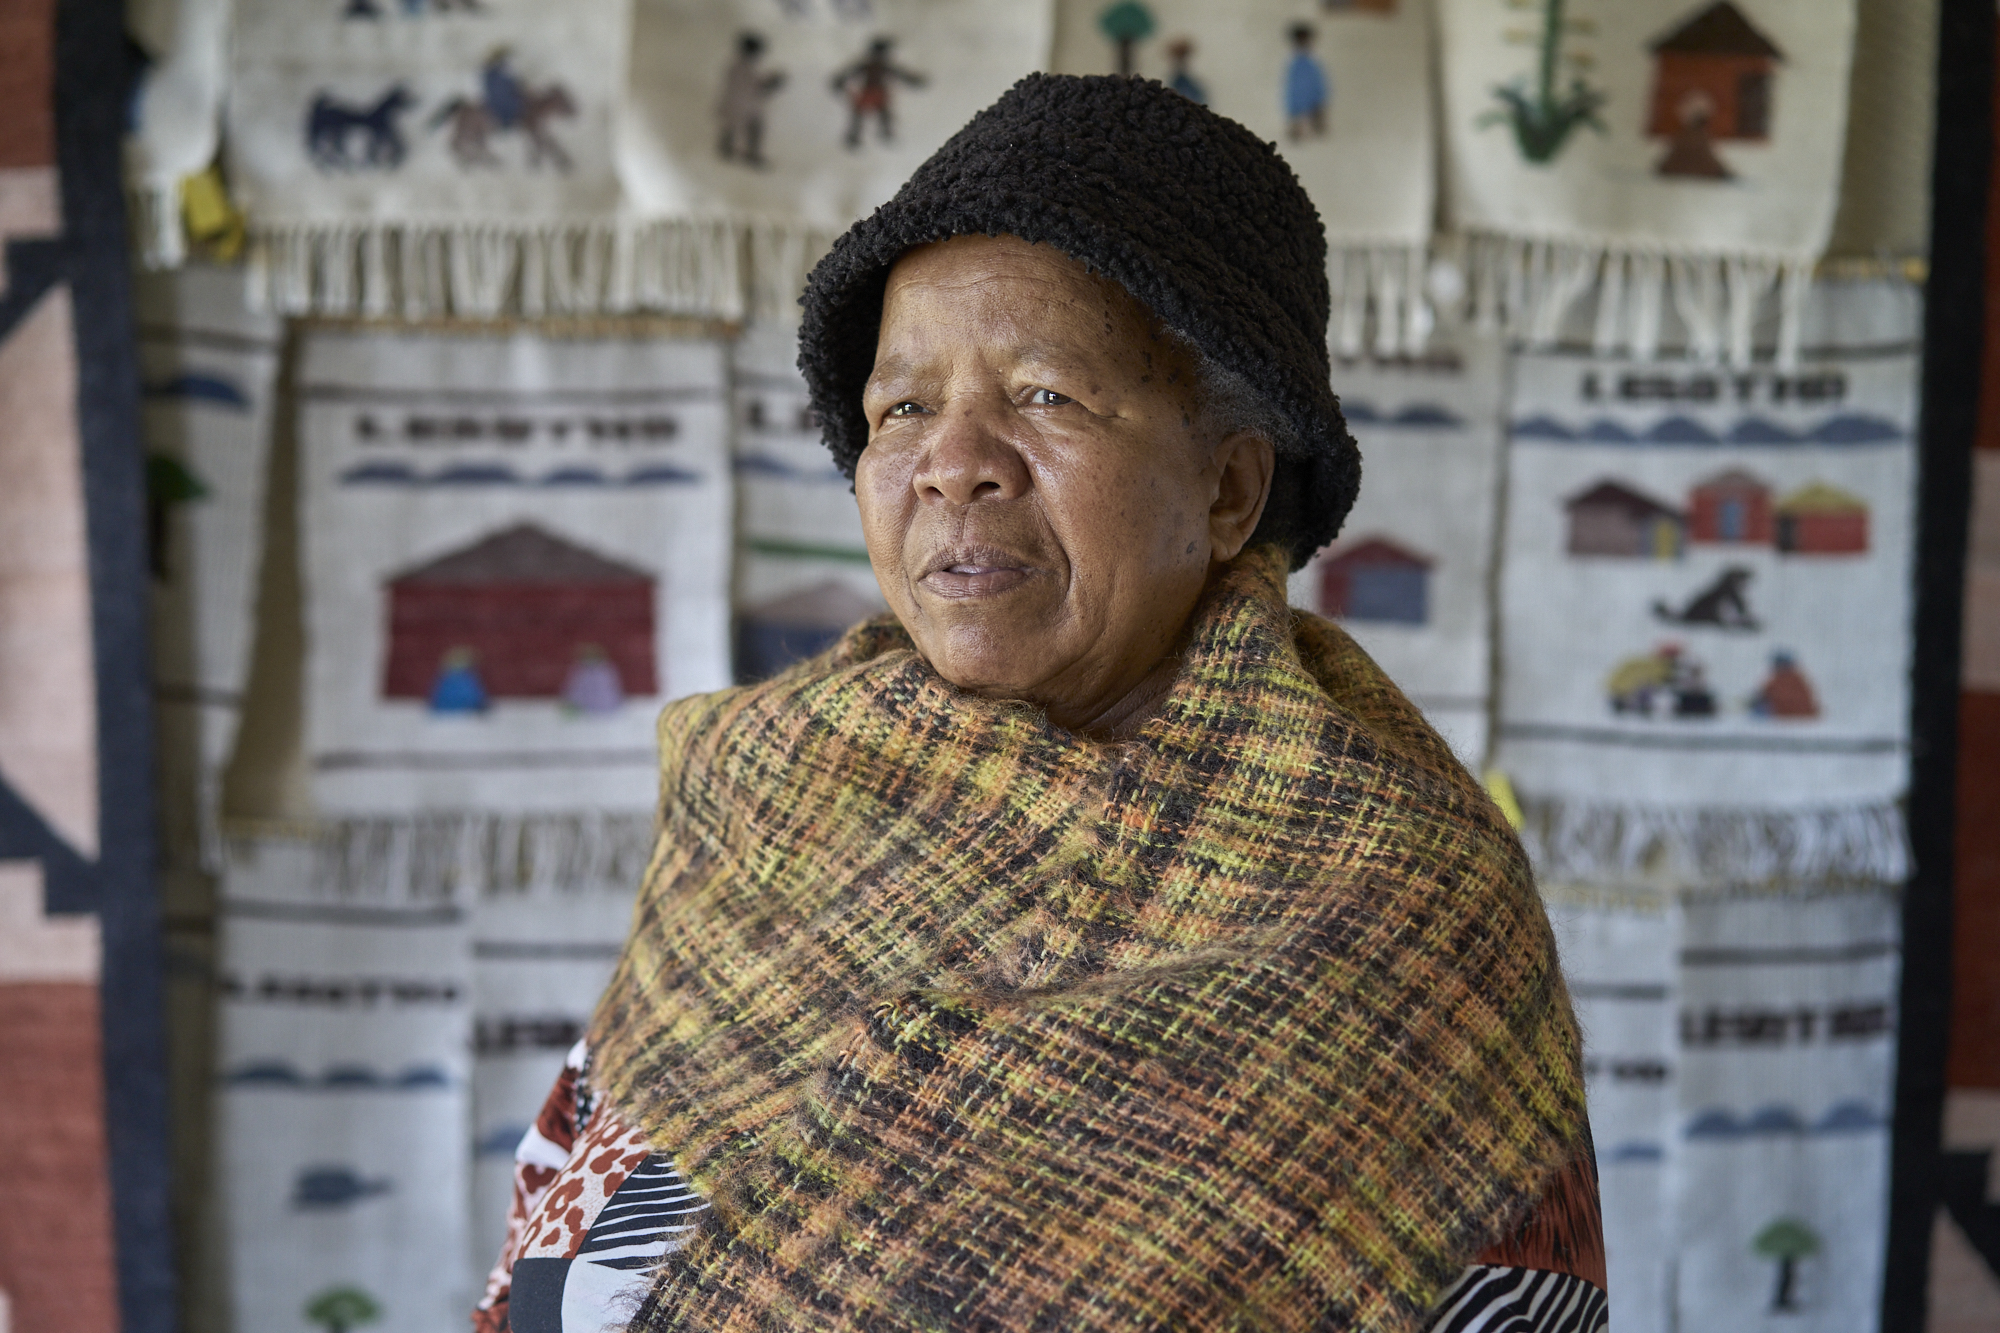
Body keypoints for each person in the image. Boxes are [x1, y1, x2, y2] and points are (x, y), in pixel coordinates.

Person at [474, 74, 1604, 1333]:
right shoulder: (768, 791)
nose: (951, 463)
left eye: (1044, 396)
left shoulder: (1394, 913)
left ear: (1228, 490)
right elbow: (548, 1221)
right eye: (903, 408)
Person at [831, 36, 926, 149]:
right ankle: (861, 135)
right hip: (872, 92)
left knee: (874, 114)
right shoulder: (873, 65)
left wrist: (914, 81)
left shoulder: (874, 65)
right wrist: (913, 81)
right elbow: (901, 74)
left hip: (874, 93)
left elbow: (901, 74)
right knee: (866, 114)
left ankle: (875, 134)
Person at [715, 31, 785, 168]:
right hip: (744, 106)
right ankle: (748, 154)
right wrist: (773, 82)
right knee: (752, 128)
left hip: (737, 104)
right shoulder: (746, 67)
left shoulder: (738, 65)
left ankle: (729, 149)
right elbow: (758, 87)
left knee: (733, 127)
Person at [1286, 22, 1329, 139]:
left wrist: (1319, 101)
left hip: (1314, 103)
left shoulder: (1313, 60)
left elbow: (1318, 82)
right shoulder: (1293, 62)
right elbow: (1292, 87)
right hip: (1298, 105)